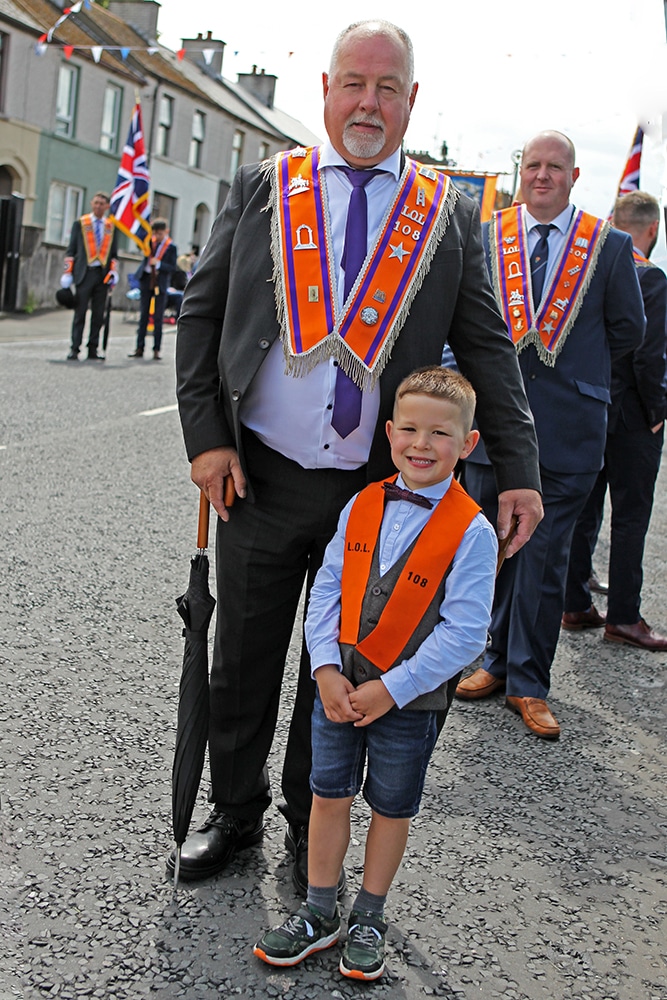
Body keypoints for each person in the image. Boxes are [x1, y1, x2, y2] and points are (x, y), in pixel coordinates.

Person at [172, 19, 542, 891]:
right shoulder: (267, 186)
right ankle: (234, 812)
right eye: (353, 83)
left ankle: (314, 821)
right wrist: (206, 438)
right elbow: (200, 311)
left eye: (387, 88)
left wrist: (518, 470)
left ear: (411, 99)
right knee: (245, 656)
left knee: (340, 664)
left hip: (379, 496)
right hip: (258, 476)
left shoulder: (448, 213)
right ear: (327, 89)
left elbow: (487, 345)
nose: (368, 103)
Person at [253, 366, 497, 980]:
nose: (421, 444)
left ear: (467, 444)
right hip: (337, 689)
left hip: (408, 702)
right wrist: (326, 671)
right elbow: (327, 592)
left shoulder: (473, 530)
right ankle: (318, 911)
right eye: (409, 429)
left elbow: (466, 632)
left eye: (440, 434)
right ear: (388, 433)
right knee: (326, 793)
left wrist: (393, 688)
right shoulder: (362, 502)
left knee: (391, 806)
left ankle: (368, 913)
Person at [458, 130, 646, 738]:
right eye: (533, 165)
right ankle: (493, 661)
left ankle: (528, 683)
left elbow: (628, 332)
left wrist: (576, 377)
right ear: (521, 172)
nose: (543, 175)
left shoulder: (609, 247)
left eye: (555, 167)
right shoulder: (486, 236)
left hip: (568, 430)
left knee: (541, 558)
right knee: (490, 549)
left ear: (573, 175)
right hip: (490, 426)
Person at [562, 190, 667, 649]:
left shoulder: (591, 269)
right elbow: (649, 355)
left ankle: (574, 600)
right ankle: (624, 615)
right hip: (632, 417)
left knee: (585, 510)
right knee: (630, 517)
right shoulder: (652, 277)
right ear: (652, 230)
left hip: (591, 407)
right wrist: (658, 411)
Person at [62, 192, 118, 361]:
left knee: (98, 315)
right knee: (80, 313)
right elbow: (71, 250)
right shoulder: (81, 223)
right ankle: (75, 348)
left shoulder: (110, 226)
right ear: (91, 204)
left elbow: (113, 254)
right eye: (96, 203)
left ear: (107, 206)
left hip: (101, 276)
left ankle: (93, 348)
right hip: (84, 274)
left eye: (102, 203)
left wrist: (114, 272)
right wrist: (67, 272)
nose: (98, 206)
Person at [128, 219, 177, 360]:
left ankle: (156, 349)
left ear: (166, 232)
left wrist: (160, 263)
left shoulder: (171, 247)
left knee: (158, 317)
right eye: (155, 233)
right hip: (147, 280)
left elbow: (172, 267)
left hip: (160, 283)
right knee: (143, 315)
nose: (157, 236)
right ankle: (139, 347)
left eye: (160, 234)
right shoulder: (149, 243)